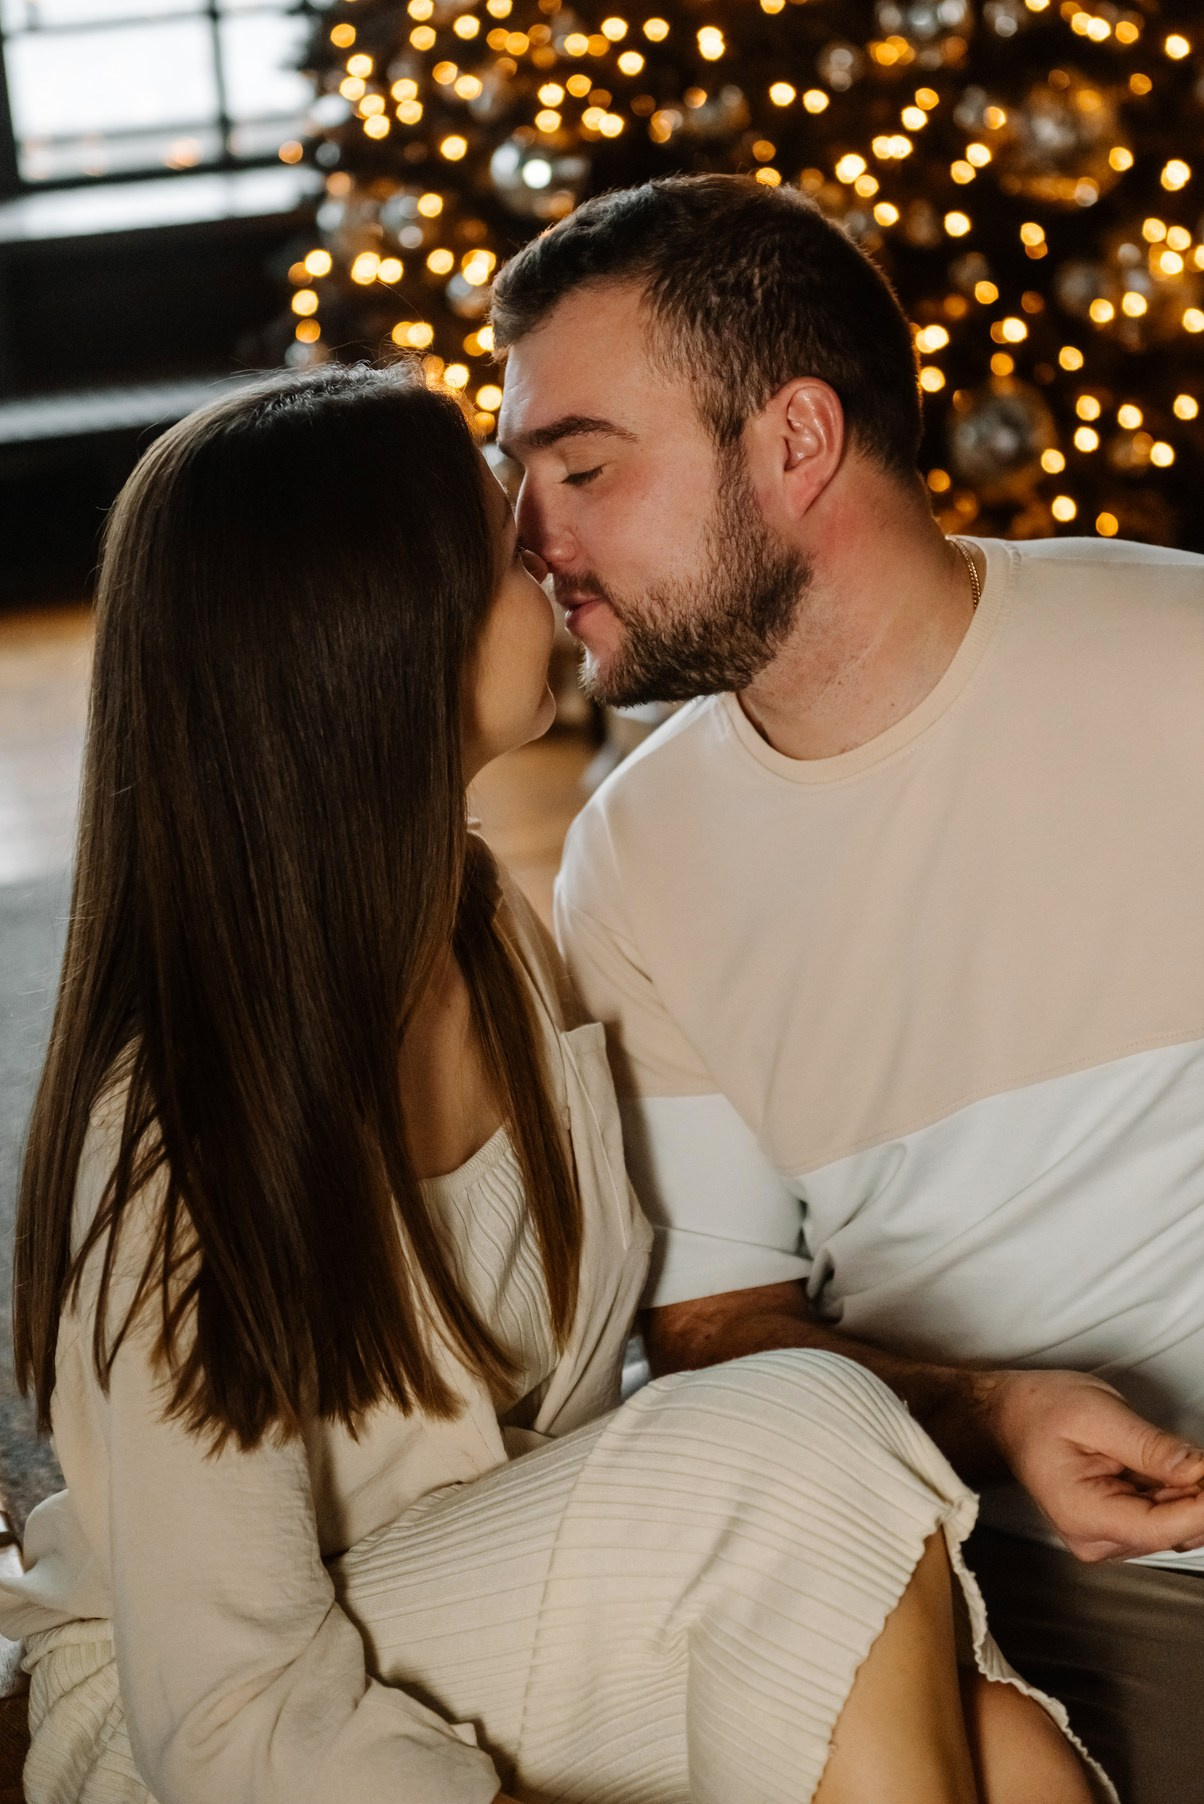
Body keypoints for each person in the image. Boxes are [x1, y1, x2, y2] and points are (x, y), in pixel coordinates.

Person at [0, 364, 1101, 1804]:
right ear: (382, 641)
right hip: (229, 1727)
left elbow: (573, 1455)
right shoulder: (171, 1146)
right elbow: (233, 1715)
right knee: (803, 1438)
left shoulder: (489, 938)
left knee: (1010, 1754)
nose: (556, 551)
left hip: (490, 1611)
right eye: (506, 548)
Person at [490, 172, 1204, 1803]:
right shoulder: (638, 860)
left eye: (585, 468)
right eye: (522, 477)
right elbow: (720, 1327)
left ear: (796, 442)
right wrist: (994, 1413)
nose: (535, 538)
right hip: (1039, 1577)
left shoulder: (1182, 662)